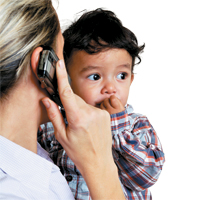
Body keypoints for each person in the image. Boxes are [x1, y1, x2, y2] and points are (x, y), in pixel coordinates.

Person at [0, 1, 126, 200]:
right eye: (62, 51)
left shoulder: (36, 154)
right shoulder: (11, 192)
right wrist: (100, 166)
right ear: (43, 63)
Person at [38, 8, 165, 200]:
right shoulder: (50, 126)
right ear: (67, 81)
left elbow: (144, 178)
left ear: (131, 80)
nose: (110, 88)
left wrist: (116, 129)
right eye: (95, 76)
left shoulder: (137, 126)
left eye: (121, 76)